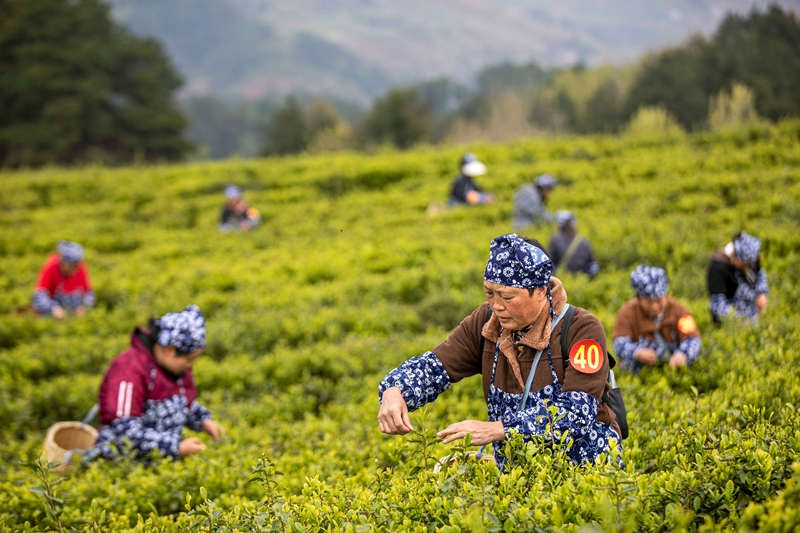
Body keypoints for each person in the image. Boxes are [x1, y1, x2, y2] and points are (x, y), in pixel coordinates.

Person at [378, 234, 621, 467]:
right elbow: (436, 366)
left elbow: (576, 412)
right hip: (517, 473)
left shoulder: (580, 328)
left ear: (540, 291)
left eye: (507, 296)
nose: (496, 305)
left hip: (586, 470)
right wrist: (395, 389)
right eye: (489, 292)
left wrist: (498, 429)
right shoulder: (486, 323)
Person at [84, 305, 223, 461]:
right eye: (189, 359)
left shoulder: (173, 369)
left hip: (160, 461)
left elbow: (180, 404)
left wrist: (203, 420)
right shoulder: (129, 368)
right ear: (170, 350)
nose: (190, 365)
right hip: (124, 464)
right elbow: (123, 429)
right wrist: (175, 447)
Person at [612, 266, 702, 373]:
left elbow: (693, 339)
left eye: (659, 300)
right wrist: (637, 352)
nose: (655, 306)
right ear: (639, 298)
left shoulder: (679, 310)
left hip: (673, 371)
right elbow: (619, 343)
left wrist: (683, 354)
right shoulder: (627, 313)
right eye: (649, 302)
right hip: (640, 373)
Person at [707, 231, 768, 323]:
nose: (751, 266)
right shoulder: (718, 269)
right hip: (732, 323)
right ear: (736, 258)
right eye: (746, 264)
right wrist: (740, 321)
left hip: (754, 316)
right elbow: (717, 305)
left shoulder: (751, 257)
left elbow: (760, 275)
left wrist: (762, 293)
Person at [32, 241, 95, 320]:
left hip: (73, 314)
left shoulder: (80, 268)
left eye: (76, 265)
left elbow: (89, 293)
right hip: (52, 314)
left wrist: (83, 306)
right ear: (63, 263)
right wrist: (53, 308)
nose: (75, 269)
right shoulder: (51, 268)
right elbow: (39, 297)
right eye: (72, 266)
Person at [548, 211, 600, 278]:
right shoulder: (584, 241)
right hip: (582, 281)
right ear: (574, 225)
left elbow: (550, 264)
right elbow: (592, 265)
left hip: (562, 280)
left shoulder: (555, 240)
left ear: (558, 226)